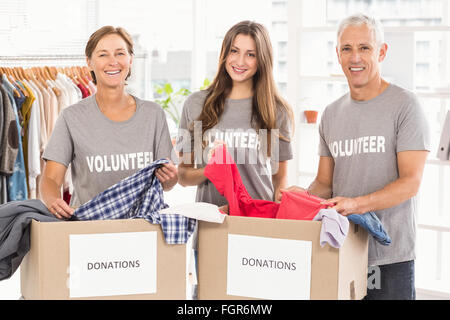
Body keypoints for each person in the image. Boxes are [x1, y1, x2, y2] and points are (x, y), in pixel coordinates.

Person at [280, 14, 430, 300]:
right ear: (337, 54)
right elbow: (325, 183)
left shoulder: (405, 106)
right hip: (340, 249)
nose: (355, 57)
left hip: (390, 258)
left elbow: (411, 182)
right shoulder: (332, 114)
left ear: (381, 52)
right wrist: (304, 198)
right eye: (346, 48)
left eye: (364, 48)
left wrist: (356, 204)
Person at [40, 26, 178, 220]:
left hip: (142, 231)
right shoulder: (71, 118)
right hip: (89, 229)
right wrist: (53, 200)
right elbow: (50, 179)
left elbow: (167, 182)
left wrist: (171, 179)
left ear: (130, 60)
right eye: (103, 55)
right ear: (89, 62)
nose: (113, 62)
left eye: (120, 53)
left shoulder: (153, 115)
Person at [176, 20, 294, 209]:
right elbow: (183, 176)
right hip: (211, 221)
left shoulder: (276, 111)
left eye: (250, 54)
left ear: (262, 59)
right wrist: (211, 170)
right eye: (234, 51)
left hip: (257, 222)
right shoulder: (196, 105)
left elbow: (279, 178)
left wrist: (286, 202)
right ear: (224, 54)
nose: (240, 61)